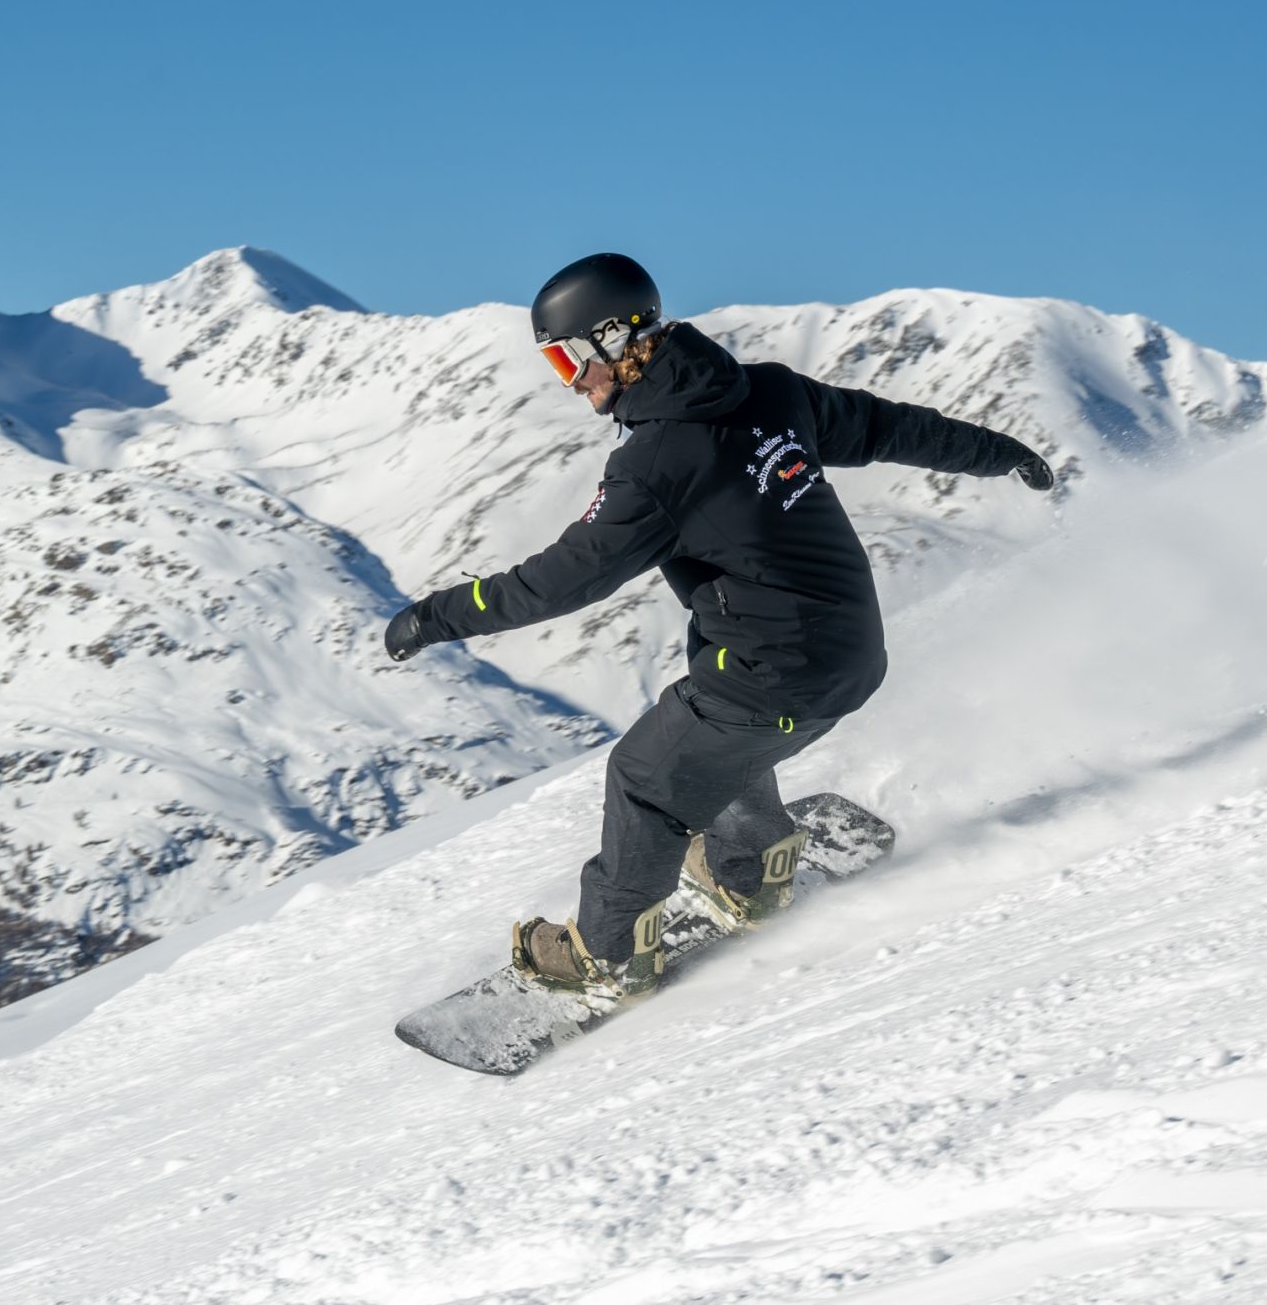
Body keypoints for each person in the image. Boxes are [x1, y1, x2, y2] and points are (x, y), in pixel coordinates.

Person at [383, 253, 1053, 1004]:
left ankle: (607, 958)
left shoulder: (655, 465)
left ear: (613, 341)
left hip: (781, 670)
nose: (572, 380)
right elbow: (886, 427)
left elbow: (554, 583)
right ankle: (749, 870)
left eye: (571, 357)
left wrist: (431, 615)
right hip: (850, 655)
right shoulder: (768, 391)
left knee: (645, 780)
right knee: (707, 721)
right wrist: (1001, 453)